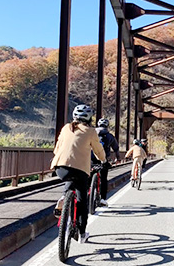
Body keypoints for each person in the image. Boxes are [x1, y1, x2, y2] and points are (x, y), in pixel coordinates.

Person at [51, 104, 106, 244]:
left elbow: (57, 148)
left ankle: (64, 197)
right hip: (80, 169)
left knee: (70, 181)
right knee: (82, 201)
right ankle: (82, 233)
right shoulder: (91, 131)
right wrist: (103, 160)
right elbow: (98, 150)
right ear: (89, 118)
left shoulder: (65, 128)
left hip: (60, 167)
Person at [93, 118, 120, 207]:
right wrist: (118, 158)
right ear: (107, 126)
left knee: (87, 176)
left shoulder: (92, 133)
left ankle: (87, 194)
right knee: (103, 179)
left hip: (91, 158)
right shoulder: (110, 136)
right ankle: (103, 199)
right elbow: (116, 148)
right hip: (103, 159)